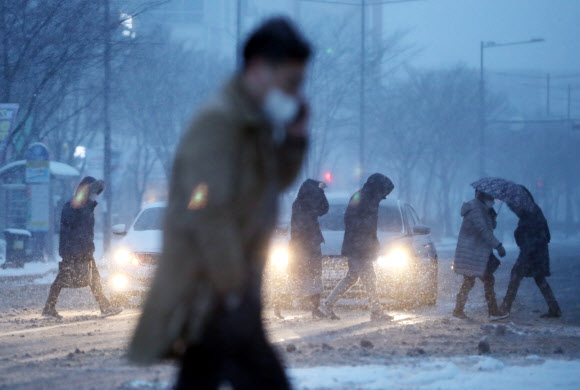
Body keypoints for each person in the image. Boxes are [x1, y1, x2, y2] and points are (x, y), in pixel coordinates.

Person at [128, 17, 311, 390]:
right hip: (212, 286)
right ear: (259, 69)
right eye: (291, 82)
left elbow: (275, 182)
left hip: (228, 285)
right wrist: (233, 288)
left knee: (204, 374)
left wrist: (294, 139)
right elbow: (205, 208)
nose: (295, 94)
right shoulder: (219, 123)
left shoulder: (250, 123)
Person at [42, 176, 123, 319]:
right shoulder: (74, 205)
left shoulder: (85, 206)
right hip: (73, 250)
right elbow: (71, 228)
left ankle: (104, 306)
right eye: (92, 191)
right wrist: (77, 249)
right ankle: (49, 308)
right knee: (63, 278)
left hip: (82, 249)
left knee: (93, 278)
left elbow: (84, 230)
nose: (94, 195)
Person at [318, 173, 394, 322]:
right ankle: (376, 311)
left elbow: (366, 225)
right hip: (358, 246)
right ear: (377, 188)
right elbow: (352, 221)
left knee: (352, 277)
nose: (384, 197)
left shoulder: (368, 198)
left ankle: (326, 306)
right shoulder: (362, 198)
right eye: (384, 192)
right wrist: (365, 239)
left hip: (358, 245)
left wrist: (372, 241)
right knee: (369, 278)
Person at [500, 186, 562, 318]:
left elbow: (527, 235)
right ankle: (554, 308)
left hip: (530, 252)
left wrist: (519, 235)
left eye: (513, 205)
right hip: (537, 251)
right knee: (539, 279)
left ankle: (505, 308)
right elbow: (547, 235)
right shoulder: (533, 211)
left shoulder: (529, 215)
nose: (513, 209)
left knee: (516, 275)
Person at [275, 179, 329, 320]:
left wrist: (321, 191)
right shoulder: (302, 204)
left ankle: (315, 308)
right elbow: (322, 209)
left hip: (309, 245)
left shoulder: (305, 203)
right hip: (303, 247)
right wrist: (320, 191)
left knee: (314, 278)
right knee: (300, 279)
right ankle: (280, 303)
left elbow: (324, 209)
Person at [452, 190, 508, 320]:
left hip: (476, 251)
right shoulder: (476, 210)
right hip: (473, 252)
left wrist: (492, 217)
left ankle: (458, 310)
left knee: (470, 281)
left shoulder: (482, 209)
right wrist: (498, 245)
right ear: (483, 196)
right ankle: (493, 312)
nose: (493, 200)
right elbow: (483, 231)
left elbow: (489, 228)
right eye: (491, 196)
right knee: (487, 280)